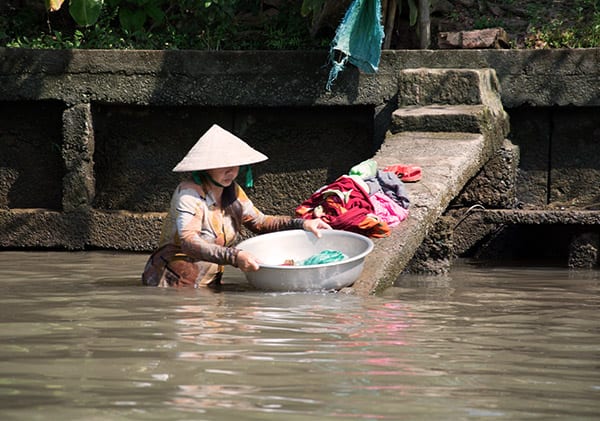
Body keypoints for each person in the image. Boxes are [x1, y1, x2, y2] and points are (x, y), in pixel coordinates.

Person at [142, 124, 331, 288]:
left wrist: (302, 224)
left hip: (207, 281)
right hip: (172, 283)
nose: (231, 171)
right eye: (223, 165)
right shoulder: (189, 194)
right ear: (205, 167)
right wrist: (235, 257)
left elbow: (261, 222)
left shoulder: (233, 191)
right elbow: (189, 242)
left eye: (235, 165)